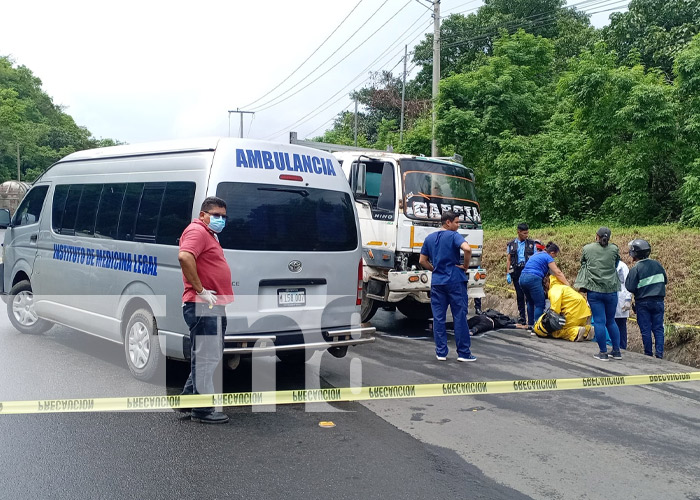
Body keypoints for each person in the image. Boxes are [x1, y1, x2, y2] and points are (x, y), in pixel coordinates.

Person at [178, 196, 234, 424]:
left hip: (212, 304)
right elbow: (184, 256)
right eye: (216, 215)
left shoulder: (209, 234)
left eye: (223, 216)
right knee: (206, 358)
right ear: (203, 215)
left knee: (207, 356)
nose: (220, 219)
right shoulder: (197, 231)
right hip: (203, 304)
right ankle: (202, 410)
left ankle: (188, 400)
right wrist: (200, 290)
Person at [419, 211, 476, 362]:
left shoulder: (430, 238)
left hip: (438, 282)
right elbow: (467, 249)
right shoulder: (453, 236)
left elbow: (422, 260)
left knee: (438, 318)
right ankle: (463, 353)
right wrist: (465, 266)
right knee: (459, 316)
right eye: (457, 222)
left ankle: (441, 352)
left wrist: (434, 269)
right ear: (448, 223)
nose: (458, 225)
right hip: (455, 280)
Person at [574, 227, 621, 361]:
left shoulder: (588, 248)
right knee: (611, 321)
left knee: (599, 321)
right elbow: (616, 263)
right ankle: (616, 351)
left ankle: (603, 352)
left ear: (597, 236)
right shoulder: (614, 249)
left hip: (594, 290)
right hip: (611, 290)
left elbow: (583, 262)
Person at [625, 239, 667, 359]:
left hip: (643, 302)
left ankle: (648, 354)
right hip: (659, 301)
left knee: (645, 328)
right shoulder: (658, 264)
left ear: (634, 254)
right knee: (658, 328)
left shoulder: (636, 268)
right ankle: (659, 354)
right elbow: (665, 280)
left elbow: (629, 287)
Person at [519, 242, 570, 329]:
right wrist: (567, 285)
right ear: (552, 253)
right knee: (540, 304)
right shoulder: (548, 257)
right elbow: (557, 272)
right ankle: (538, 327)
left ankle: (530, 325)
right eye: (555, 255)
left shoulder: (537, 254)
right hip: (533, 279)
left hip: (522, 278)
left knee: (530, 302)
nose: (554, 258)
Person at [533, 275, 594, 341]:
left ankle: (575, 332)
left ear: (547, 283)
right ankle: (587, 331)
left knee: (557, 332)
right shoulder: (564, 287)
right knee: (571, 324)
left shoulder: (554, 290)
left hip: (573, 313)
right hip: (584, 313)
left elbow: (555, 311)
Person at [506, 223, 536, 324]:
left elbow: (535, 258)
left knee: (529, 295)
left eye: (527, 233)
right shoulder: (511, 244)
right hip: (516, 271)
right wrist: (508, 273)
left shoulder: (532, 244)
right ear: (518, 232)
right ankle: (522, 317)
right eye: (524, 233)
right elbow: (509, 260)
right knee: (520, 295)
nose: (526, 235)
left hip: (527, 270)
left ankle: (531, 318)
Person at [614, 259, 633, 349]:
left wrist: (628, 299)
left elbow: (628, 283)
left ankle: (622, 347)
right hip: (610, 298)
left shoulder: (622, 266)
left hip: (621, 298)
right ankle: (613, 346)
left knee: (621, 325)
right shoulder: (604, 264)